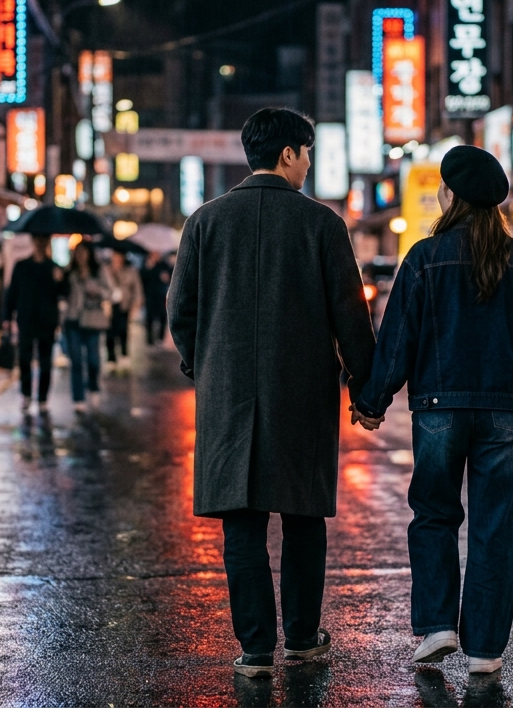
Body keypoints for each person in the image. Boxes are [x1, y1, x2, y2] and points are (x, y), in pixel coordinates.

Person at [168, 107, 376, 679]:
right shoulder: (321, 225)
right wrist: (366, 387)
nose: (308, 164)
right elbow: (350, 316)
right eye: (306, 153)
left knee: (243, 524)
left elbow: (180, 309)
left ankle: (256, 648)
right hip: (302, 392)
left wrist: (202, 363)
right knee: (304, 519)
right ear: (288, 154)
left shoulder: (205, 222)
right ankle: (303, 639)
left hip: (228, 392)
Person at [354, 146, 513, 678]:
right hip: (503, 412)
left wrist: (372, 400)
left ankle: (438, 625)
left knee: (434, 514)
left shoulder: (425, 257)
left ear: (450, 197)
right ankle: (486, 649)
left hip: (438, 410)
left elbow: (399, 338)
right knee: (495, 525)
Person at [4, 235, 66, 415]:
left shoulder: (54, 268)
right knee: (25, 358)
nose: (40, 244)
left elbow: (63, 293)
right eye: (38, 240)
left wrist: (60, 280)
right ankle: (26, 394)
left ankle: (43, 398)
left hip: (47, 321)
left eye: (43, 241)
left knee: (46, 361)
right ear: (33, 242)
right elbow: (12, 293)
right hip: (26, 319)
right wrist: (7, 317)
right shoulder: (22, 266)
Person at [61, 241, 111, 412]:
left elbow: (110, 292)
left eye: (84, 252)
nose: (81, 255)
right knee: (75, 361)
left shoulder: (98, 271)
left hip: (92, 320)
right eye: (78, 252)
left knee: (93, 360)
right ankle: (78, 398)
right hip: (72, 320)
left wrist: (97, 290)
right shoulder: (69, 272)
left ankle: (93, 387)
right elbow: (61, 294)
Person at [105, 250, 144, 372]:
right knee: (109, 332)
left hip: (125, 305)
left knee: (123, 330)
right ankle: (111, 358)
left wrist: (136, 305)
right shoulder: (106, 270)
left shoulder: (131, 271)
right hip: (109, 306)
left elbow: (137, 290)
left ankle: (124, 355)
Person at [141, 251, 173, 346]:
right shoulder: (147, 263)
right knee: (149, 318)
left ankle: (160, 338)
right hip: (150, 295)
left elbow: (171, 277)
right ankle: (150, 339)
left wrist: (167, 278)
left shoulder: (164, 265)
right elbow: (142, 278)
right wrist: (148, 267)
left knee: (162, 317)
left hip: (161, 295)